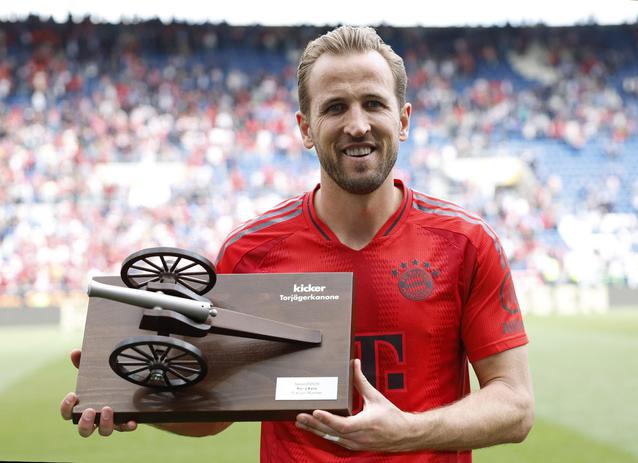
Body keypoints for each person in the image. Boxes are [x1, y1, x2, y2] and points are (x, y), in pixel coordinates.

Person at [61, 25, 534, 462]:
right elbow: (217, 411)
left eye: (373, 103)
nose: (357, 125)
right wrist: (134, 399)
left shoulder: (465, 242)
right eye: (335, 107)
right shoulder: (251, 250)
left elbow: (514, 405)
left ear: (403, 119)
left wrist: (407, 431)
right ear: (305, 128)